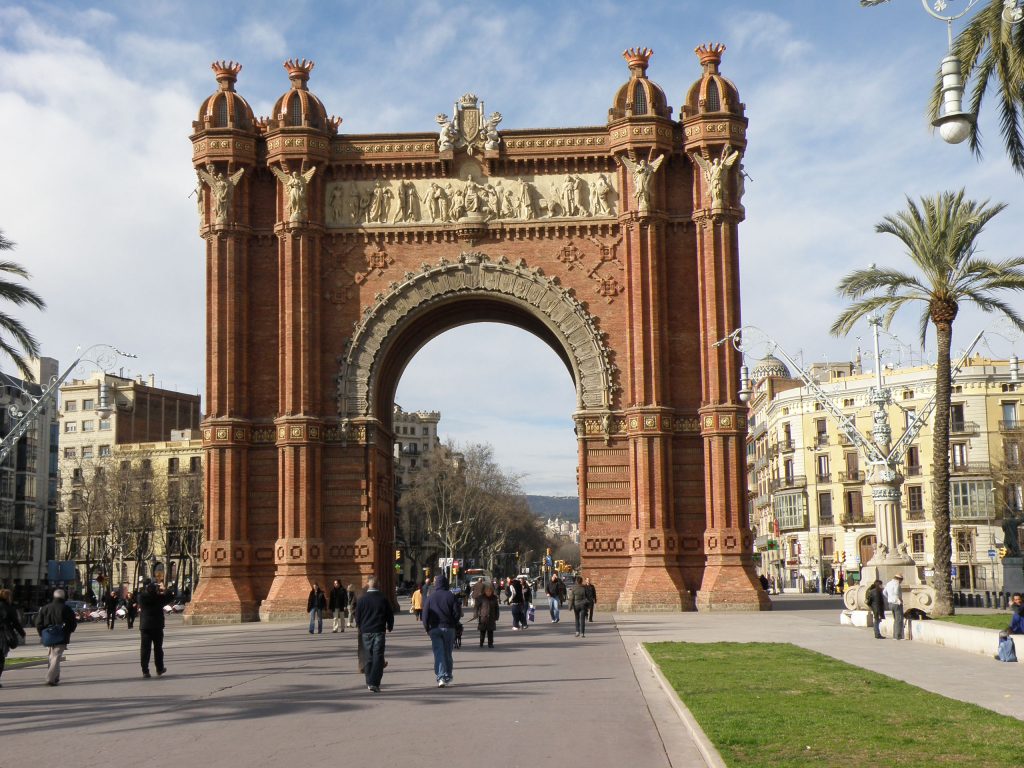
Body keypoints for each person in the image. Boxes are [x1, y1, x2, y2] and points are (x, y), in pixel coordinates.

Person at [353, 575, 394, 693]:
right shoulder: (383, 599)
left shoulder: (362, 599)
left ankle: (369, 681)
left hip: (366, 631)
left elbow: (357, 616)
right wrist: (389, 626)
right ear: (378, 585)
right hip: (379, 631)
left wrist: (360, 626)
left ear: (367, 584)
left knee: (368, 656)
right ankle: (374, 682)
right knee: (378, 656)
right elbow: (389, 614)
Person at [422, 573, 461, 687]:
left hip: (435, 628)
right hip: (449, 628)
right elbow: (457, 613)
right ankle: (448, 675)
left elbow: (425, 615)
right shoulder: (451, 596)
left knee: (439, 653)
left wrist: (427, 628)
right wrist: (453, 623)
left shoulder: (431, 597)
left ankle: (441, 677)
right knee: (448, 653)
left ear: (436, 584)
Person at [34, 588, 78, 686]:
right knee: (56, 657)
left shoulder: (45, 608)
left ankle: (55, 676)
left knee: (51, 656)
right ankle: (50, 678)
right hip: (61, 635)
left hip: (48, 635)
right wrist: (67, 631)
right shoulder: (66, 608)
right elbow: (72, 623)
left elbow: (38, 623)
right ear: (63, 597)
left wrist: (42, 633)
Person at [137, 579, 173, 678]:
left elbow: (140, 597)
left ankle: (145, 671)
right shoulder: (159, 598)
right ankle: (159, 669)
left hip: (145, 627)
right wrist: (164, 588)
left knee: (145, 649)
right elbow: (170, 597)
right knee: (158, 649)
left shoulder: (142, 597)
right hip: (157, 626)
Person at [0, 588, 27, 687]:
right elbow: (15, 623)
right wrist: (22, 633)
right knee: (1, 658)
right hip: (3, 635)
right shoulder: (8, 608)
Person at [474, 582, 499, 648]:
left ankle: (490, 644)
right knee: (482, 631)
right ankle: (481, 642)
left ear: (492, 591)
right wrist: (475, 614)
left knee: (490, 632)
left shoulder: (494, 598)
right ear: (485, 591)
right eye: (487, 591)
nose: (488, 592)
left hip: (491, 617)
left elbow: (497, 608)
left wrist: (497, 616)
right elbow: (476, 607)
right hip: (483, 617)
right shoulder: (481, 598)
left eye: (490, 591)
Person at [883, 574, 905, 640]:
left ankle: (895, 635)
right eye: (901, 580)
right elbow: (896, 592)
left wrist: (889, 598)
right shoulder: (897, 584)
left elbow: (884, 592)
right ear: (899, 579)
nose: (901, 582)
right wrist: (899, 599)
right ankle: (898, 636)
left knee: (895, 619)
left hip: (890, 603)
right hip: (896, 603)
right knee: (899, 619)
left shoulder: (888, 583)